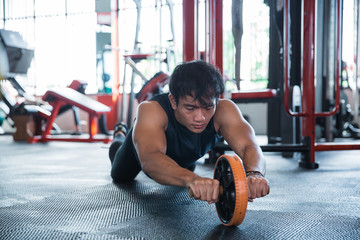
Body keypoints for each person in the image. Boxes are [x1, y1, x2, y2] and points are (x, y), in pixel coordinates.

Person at [109, 60, 269, 204]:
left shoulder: (224, 110)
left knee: (187, 170)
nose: (200, 117)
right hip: (138, 153)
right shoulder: (152, 110)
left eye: (208, 107)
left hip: (184, 159)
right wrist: (192, 180)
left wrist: (255, 174)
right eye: (190, 108)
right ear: (173, 101)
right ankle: (120, 135)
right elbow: (151, 159)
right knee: (120, 176)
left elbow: (250, 146)